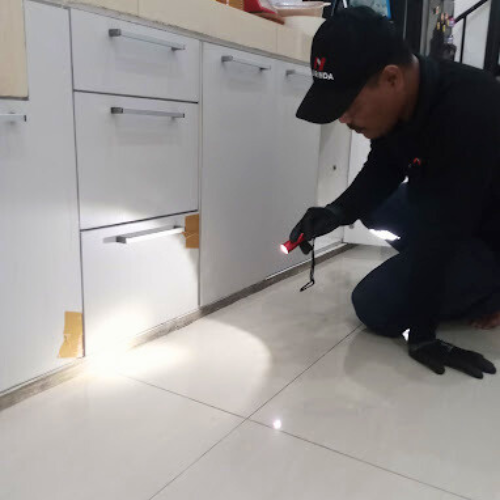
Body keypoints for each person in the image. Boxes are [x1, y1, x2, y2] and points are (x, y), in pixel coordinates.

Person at [290, 7, 500, 378]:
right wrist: (336, 212)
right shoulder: (405, 100)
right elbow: (385, 166)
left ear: (391, 78)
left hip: (490, 235)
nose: (343, 119)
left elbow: (443, 230)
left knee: (374, 305)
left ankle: (487, 287)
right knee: (373, 207)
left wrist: (422, 336)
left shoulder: (470, 111)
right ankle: (445, 276)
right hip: (455, 210)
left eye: (350, 105)